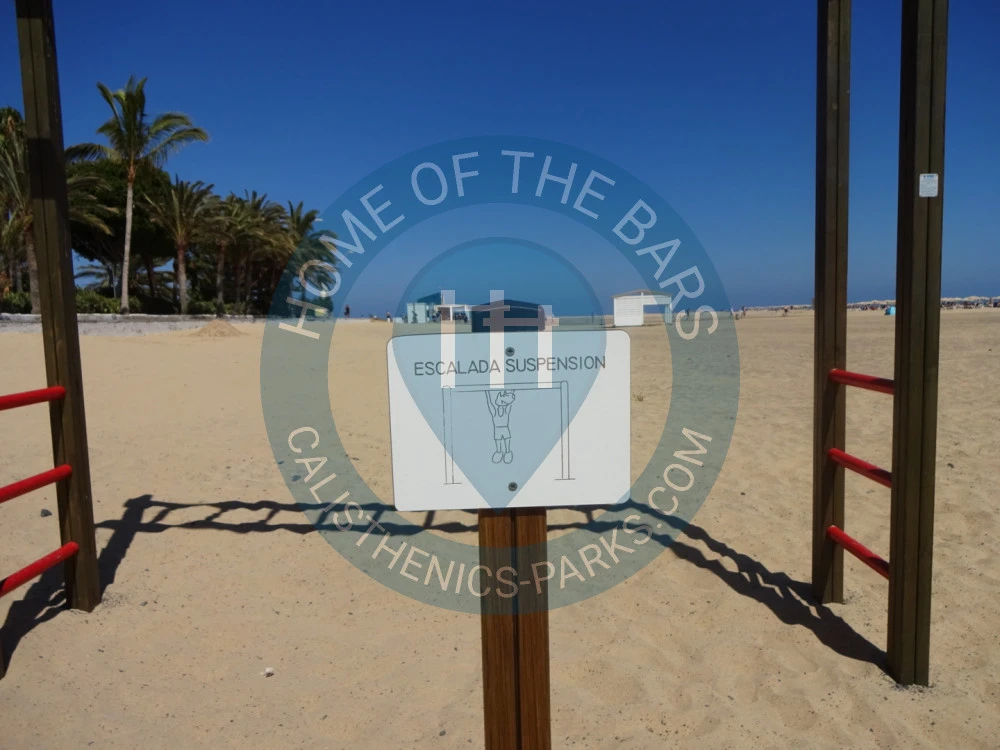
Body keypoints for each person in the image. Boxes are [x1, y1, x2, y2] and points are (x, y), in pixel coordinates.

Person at [485, 390, 515, 464]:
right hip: (497, 430)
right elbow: (489, 403)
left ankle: (508, 453)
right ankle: (499, 452)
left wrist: (513, 391)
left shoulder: (506, 411)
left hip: (505, 429)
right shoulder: (494, 413)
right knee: (498, 446)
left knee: (507, 445)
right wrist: (487, 393)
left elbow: (510, 404)